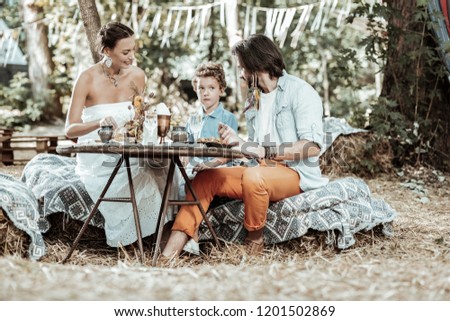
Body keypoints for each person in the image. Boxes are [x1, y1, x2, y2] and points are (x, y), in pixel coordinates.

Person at [162, 34, 329, 259]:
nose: (240, 73)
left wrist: (265, 152)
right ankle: (168, 254)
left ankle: (254, 243)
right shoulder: (253, 98)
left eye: (242, 67)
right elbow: (255, 147)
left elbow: (312, 147)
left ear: (255, 65)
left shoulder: (300, 91)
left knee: (254, 176)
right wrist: (238, 142)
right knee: (206, 177)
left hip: (295, 173)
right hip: (260, 167)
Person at [65, 22, 169, 247]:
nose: (132, 57)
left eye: (134, 50)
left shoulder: (138, 76)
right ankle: (147, 240)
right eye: (125, 52)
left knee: (164, 165)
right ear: (106, 51)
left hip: (129, 149)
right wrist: (98, 124)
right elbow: (69, 129)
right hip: (97, 156)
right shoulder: (86, 79)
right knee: (150, 174)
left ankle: (168, 236)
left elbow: (138, 121)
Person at [187, 61, 238, 173]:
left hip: (220, 173)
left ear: (221, 89)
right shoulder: (192, 119)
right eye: (201, 88)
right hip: (194, 171)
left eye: (211, 88)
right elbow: (187, 151)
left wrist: (208, 164)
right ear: (196, 89)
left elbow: (231, 153)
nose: (206, 93)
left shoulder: (228, 118)